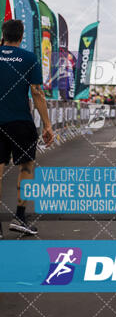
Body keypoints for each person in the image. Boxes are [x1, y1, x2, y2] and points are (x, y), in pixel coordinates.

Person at [0, 20, 54, 237]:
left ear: (3, 34)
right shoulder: (29, 58)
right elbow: (37, 92)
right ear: (22, 37)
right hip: (20, 122)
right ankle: (20, 217)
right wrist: (48, 125)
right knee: (26, 166)